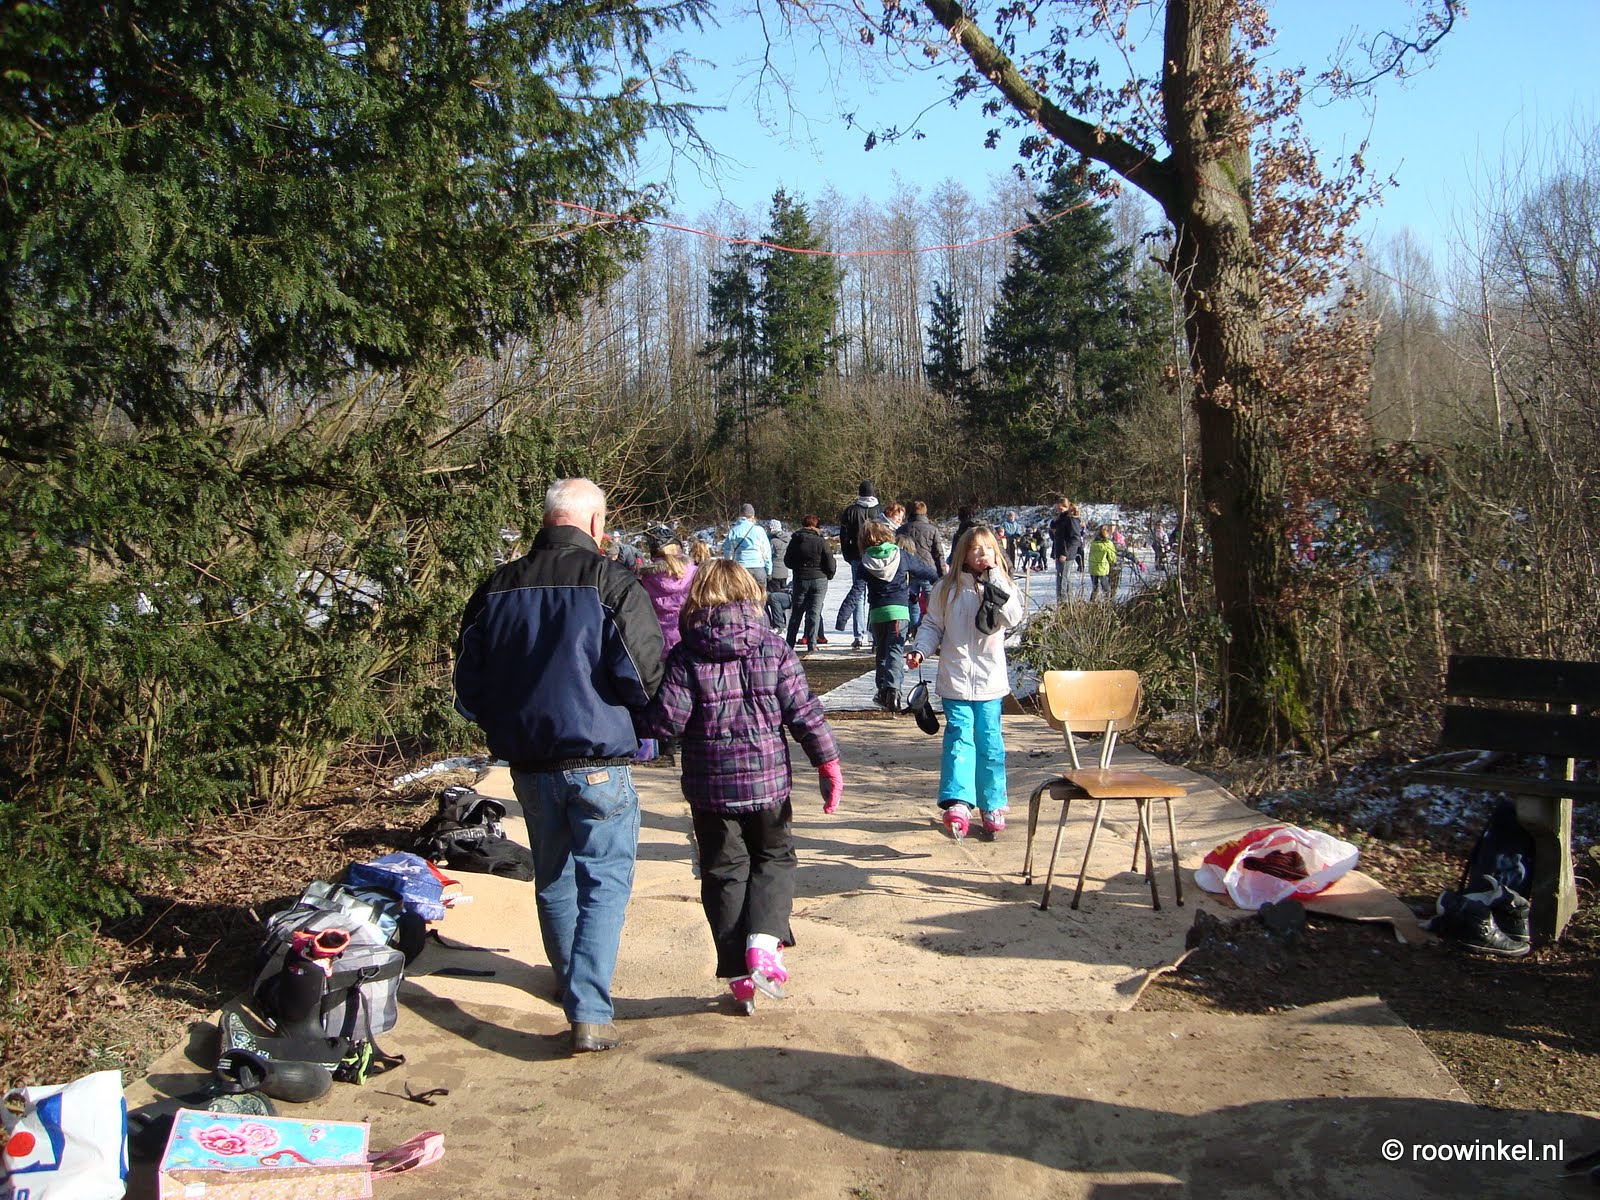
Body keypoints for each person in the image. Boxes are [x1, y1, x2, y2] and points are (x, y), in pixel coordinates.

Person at [454, 478, 664, 1055]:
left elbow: (468, 686)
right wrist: (637, 719)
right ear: (596, 524)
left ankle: (573, 983)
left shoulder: (495, 587)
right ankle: (589, 1010)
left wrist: (507, 719)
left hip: (530, 759)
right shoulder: (611, 582)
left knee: (555, 876)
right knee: (604, 881)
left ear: (548, 520)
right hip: (597, 758)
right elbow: (644, 675)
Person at [644, 560, 843, 1013]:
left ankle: (737, 972)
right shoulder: (773, 648)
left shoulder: (686, 655)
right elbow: (804, 712)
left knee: (723, 872)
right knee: (774, 858)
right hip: (767, 782)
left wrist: (638, 711)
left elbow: (666, 723)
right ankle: (765, 942)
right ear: (751, 597)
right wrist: (827, 762)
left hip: (711, 789)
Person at [905, 526, 1025, 841]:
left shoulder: (1004, 585)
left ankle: (992, 803)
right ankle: (958, 801)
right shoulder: (946, 589)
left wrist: (996, 580)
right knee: (959, 739)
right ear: (963, 553)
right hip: (956, 679)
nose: (982, 554)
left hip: (990, 681)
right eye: (975, 549)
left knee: (990, 742)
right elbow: (932, 624)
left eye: (988, 548)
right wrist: (920, 649)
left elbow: (1013, 617)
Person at [859, 519, 938, 711]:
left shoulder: (865, 561)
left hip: (878, 613)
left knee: (882, 653)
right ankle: (894, 692)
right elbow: (926, 571)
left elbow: (857, 590)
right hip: (899, 612)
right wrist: (942, 581)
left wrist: (844, 614)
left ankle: (883, 692)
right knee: (894, 651)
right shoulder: (901, 555)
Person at [835, 481, 883, 651]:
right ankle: (873, 632)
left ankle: (858, 635)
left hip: (857, 555)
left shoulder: (851, 511)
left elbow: (844, 535)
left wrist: (847, 554)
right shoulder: (880, 510)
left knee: (858, 594)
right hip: (876, 555)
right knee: (875, 593)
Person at [636, 526, 695, 654]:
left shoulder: (646, 578)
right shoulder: (695, 573)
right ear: (678, 548)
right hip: (691, 633)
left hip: (658, 638)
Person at [784, 514, 836, 654]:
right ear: (816, 526)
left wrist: (798, 568)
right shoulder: (821, 541)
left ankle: (789, 644)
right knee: (814, 612)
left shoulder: (795, 540)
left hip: (801, 579)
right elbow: (830, 561)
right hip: (819, 579)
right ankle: (812, 644)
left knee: (796, 613)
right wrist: (829, 574)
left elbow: (787, 561)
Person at [723, 503, 772, 589]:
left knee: (741, 595)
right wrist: (769, 570)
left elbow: (727, 552)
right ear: (753, 516)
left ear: (741, 515)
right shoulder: (759, 530)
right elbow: (766, 552)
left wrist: (729, 568)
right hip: (758, 568)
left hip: (740, 568)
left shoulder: (734, 531)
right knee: (760, 595)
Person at [1049, 499, 1084, 603]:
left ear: (1067, 507)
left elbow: (1076, 539)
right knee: (1062, 579)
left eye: (1061, 508)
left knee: (1063, 579)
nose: (1059, 511)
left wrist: (1065, 553)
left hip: (1066, 554)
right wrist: (1055, 522)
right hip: (1058, 551)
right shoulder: (1061, 519)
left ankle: (1063, 603)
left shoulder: (1071, 519)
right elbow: (1055, 534)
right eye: (1057, 509)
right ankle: (1065, 602)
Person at [765, 518, 793, 630]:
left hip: (774, 572)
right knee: (782, 597)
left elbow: (767, 556)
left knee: (773, 598)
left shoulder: (772, 541)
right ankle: (783, 621)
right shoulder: (788, 539)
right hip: (784, 572)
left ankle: (778, 623)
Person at [1089, 524, 1117, 601]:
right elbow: (1112, 557)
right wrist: (1113, 562)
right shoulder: (1107, 543)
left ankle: (1092, 602)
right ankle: (1108, 603)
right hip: (1102, 568)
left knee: (1095, 588)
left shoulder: (1094, 542)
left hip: (1093, 568)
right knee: (1106, 589)